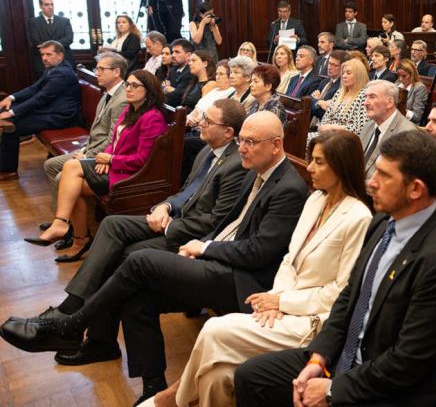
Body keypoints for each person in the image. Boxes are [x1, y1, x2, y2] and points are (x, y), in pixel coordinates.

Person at [1, 111, 309, 405]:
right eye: (241, 139)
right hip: (216, 257)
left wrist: (203, 248)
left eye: (250, 142)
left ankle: (72, 325)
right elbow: (225, 224)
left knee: (140, 259)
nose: (241, 147)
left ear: (276, 145)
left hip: (242, 281)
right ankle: (152, 386)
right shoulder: (253, 170)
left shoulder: (288, 187)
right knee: (138, 299)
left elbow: (258, 253)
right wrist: (199, 244)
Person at [233, 130, 436, 407]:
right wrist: (319, 357)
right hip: (347, 357)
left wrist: (334, 389)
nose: (371, 183)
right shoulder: (383, 222)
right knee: (251, 376)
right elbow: (350, 297)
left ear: (415, 189)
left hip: (395, 386)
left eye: (383, 176)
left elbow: (409, 361)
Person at [140, 130, 371, 407]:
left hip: (311, 319)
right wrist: (275, 299)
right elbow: (289, 258)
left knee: (214, 329)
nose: (309, 168)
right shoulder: (316, 200)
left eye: (319, 162)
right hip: (282, 304)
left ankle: (168, 401)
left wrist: (283, 301)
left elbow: (340, 292)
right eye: (311, 160)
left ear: (342, 165)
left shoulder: (358, 216)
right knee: (218, 376)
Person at [20, 100, 247, 368]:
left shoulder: (236, 164)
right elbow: (185, 191)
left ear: (229, 132)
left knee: (126, 254)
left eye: (209, 121)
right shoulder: (206, 152)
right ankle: (72, 308)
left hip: (192, 235)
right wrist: (164, 206)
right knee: (112, 224)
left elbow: (215, 221)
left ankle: (98, 340)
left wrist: (168, 224)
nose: (200, 124)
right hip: (174, 218)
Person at [23, 70, 169, 262]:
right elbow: (115, 141)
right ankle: (72, 233)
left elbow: (143, 160)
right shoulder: (131, 110)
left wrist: (110, 160)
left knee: (68, 175)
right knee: (67, 174)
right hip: (116, 165)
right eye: (128, 84)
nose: (129, 89)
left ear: (149, 91)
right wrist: (108, 153)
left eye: (135, 86)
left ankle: (72, 232)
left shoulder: (152, 118)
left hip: (131, 175)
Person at [41, 53, 128, 227]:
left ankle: (71, 226)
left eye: (102, 69)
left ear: (116, 71)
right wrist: (83, 150)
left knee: (61, 176)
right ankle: (62, 219)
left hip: (101, 155)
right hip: (90, 149)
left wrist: (88, 155)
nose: (97, 73)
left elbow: (112, 139)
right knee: (50, 165)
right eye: (97, 69)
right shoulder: (107, 94)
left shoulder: (123, 99)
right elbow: (96, 131)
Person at [0, 41, 80, 180]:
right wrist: (11, 98)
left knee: (12, 126)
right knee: (10, 114)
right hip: (51, 110)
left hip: (62, 117)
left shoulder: (62, 73)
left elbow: (40, 98)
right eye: (42, 54)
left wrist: (12, 112)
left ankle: (8, 170)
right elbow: (34, 89)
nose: (44, 58)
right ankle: (5, 165)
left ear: (60, 55)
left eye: (49, 54)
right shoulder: (54, 68)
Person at [359, 80, 417, 178]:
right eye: (366, 97)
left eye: (372, 97)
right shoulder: (368, 125)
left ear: (389, 102)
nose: (365, 103)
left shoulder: (406, 133)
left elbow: (396, 178)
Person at [310, 58, 370, 139]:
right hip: (328, 134)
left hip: (345, 138)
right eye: (343, 73)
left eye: (348, 73)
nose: (344, 76)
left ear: (358, 75)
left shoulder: (364, 96)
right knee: (300, 139)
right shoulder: (340, 92)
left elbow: (359, 129)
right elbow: (326, 117)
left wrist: (332, 128)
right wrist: (325, 127)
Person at [26, 0, 75, 78]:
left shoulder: (64, 21)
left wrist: (49, 45)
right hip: (43, 64)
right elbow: (36, 41)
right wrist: (56, 45)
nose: (50, 7)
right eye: (47, 5)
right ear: (41, 6)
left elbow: (69, 39)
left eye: (52, 4)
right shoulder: (34, 22)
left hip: (64, 61)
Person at [310, 50, 349, 120]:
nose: (330, 67)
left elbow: (325, 113)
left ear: (344, 68)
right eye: (329, 63)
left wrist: (316, 100)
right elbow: (309, 104)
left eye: (335, 65)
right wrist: (320, 102)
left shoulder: (343, 86)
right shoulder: (324, 82)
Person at [164, 39, 195, 107]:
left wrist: (170, 90)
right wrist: (169, 89)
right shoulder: (173, 70)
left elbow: (178, 97)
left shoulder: (191, 72)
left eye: (177, 52)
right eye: (173, 52)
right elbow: (162, 86)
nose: (173, 55)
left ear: (188, 55)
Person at [396, 59, 428, 124]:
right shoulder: (397, 83)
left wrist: (402, 110)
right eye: (399, 75)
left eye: (404, 76)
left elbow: (417, 117)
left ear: (412, 74)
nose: (400, 79)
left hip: (408, 124)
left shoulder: (419, 88)